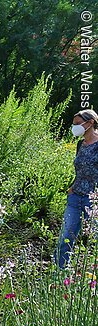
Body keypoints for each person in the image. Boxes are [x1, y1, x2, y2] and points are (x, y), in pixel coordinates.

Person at [56, 109, 98, 269]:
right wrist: (73, 186)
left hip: (93, 199)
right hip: (76, 196)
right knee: (66, 236)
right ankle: (59, 272)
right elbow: (80, 168)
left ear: (90, 123)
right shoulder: (81, 144)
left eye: (78, 124)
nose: (75, 127)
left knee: (93, 238)